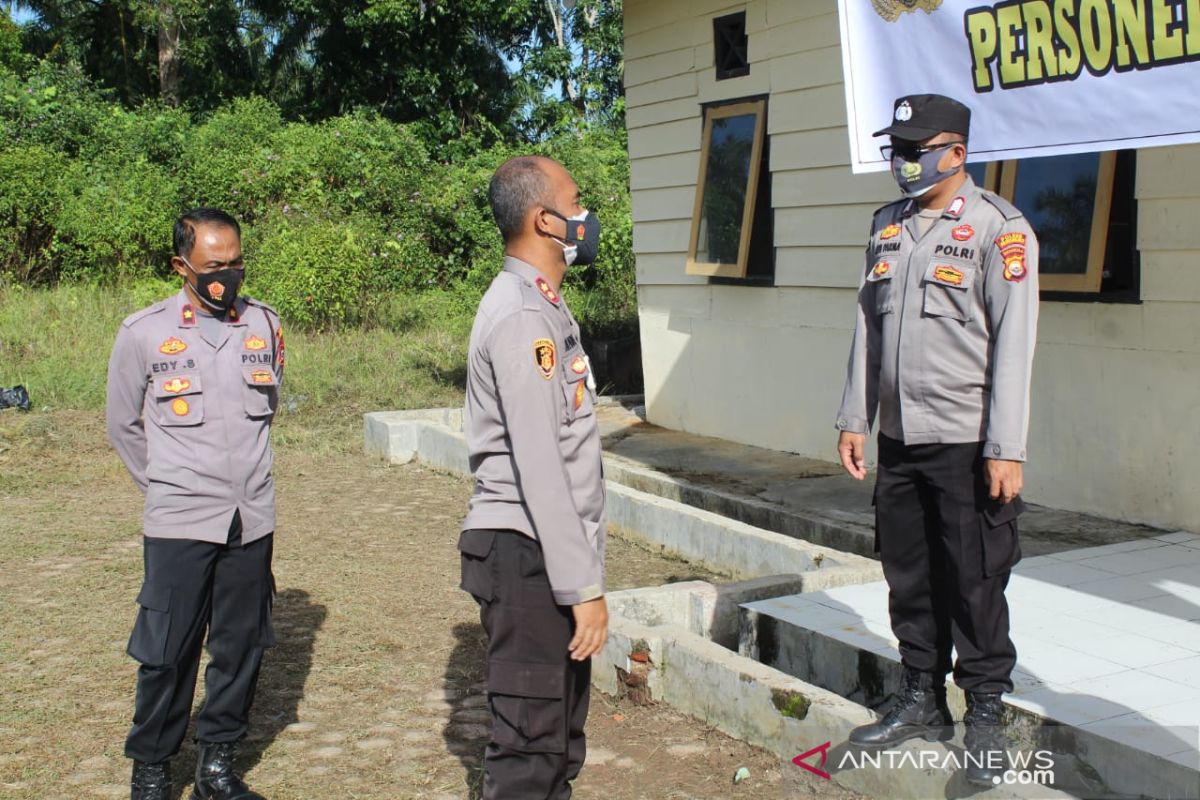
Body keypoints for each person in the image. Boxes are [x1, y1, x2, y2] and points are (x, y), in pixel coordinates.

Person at [834, 94, 1039, 786]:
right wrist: (854, 416)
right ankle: (921, 697)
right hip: (898, 437)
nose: (902, 160)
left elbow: (1015, 345)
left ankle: (985, 715)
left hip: (965, 440)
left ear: (956, 152)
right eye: (897, 146)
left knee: (976, 580)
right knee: (909, 575)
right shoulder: (886, 227)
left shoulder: (999, 229)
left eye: (915, 148)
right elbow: (868, 325)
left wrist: (1006, 445)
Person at [107, 208, 283, 800]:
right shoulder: (144, 332)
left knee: (240, 646)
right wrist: (166, 485)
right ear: (182, 265)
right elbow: (122, 425)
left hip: (250, 518)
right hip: (180, 519)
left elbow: (267, 411)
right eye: (214, 266)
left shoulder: (263, 324)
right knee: (167, 651)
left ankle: (217, 767)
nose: (227, 277)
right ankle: (152, 769)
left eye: (236, 264)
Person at [458, 155, 608, 799]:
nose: (587, 216)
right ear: (546, 219)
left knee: (557, 742)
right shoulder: (522, 318)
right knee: (530, 749)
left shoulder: (545, 307)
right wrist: (583, 587)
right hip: (526, 554)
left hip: (541, 549)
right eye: (576, 201)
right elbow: (539, 462)